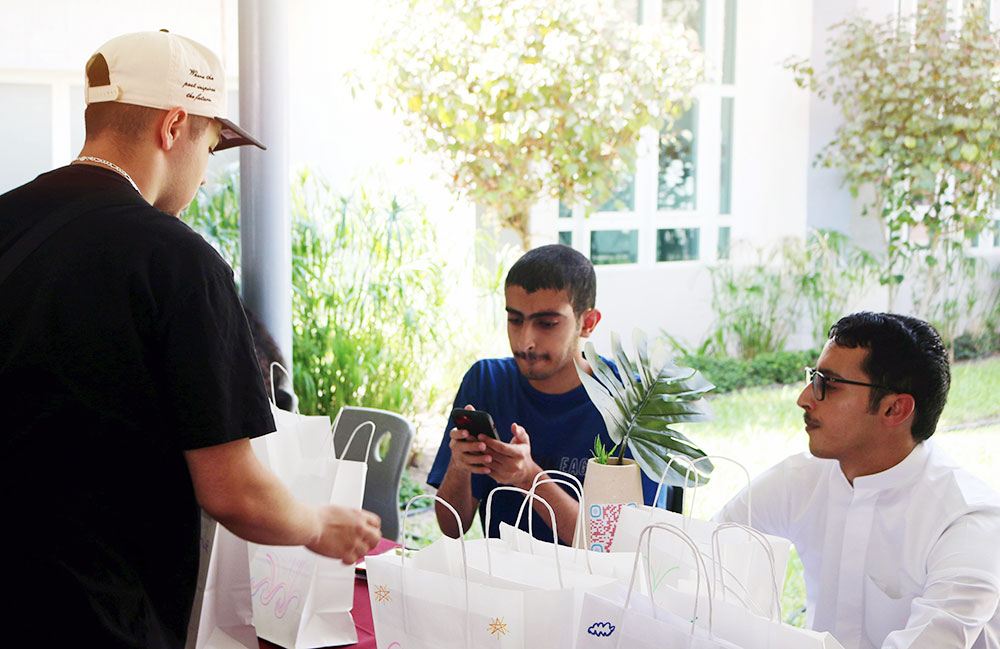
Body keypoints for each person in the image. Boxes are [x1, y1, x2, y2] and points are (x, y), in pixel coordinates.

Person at [0, 31, 380, 648]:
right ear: (173, 126)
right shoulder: (176, 260)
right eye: (210, 143)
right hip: (100, 617)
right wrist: (316, 523)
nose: (207, 172)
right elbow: (233, 489)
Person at [715, 312, 1000, 649]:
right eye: (813, 378)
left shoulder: (966, 522)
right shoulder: (802, 479)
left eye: (828, 385)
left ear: (894, 410)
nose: (804, 398)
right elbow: (704, 557)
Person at [427, 244, 674, 544]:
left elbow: (617, 547)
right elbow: (452, 528)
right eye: (515, 319)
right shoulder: (486, 381)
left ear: (588, 323)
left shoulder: (633, 402)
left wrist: (530, 478)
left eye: (547, 323)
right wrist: (459, 464)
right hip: (504, 581)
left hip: (595, 587)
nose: (526, 340)